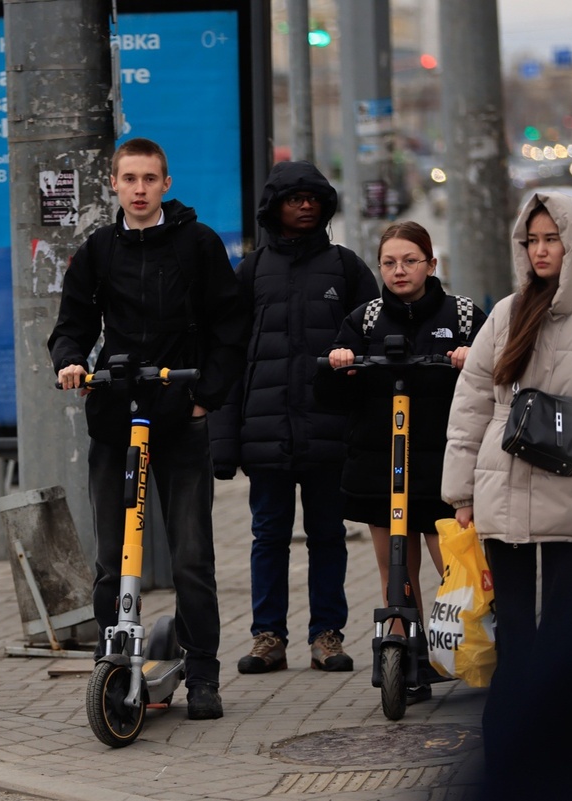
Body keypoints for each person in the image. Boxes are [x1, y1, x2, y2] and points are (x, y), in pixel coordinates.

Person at [441, 191, 572, 799]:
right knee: (513, 630)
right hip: (501, 490)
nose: (539, 250)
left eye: (551, 239)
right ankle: (507, 750)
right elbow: (472, 405)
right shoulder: (507, 312)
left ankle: (559, 754)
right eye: (531, 240)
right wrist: (461, 492)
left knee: (564, 628)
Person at [48, 137, 245, 720]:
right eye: (129, 178)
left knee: (191, 556)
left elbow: (230, 326)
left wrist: (206, 397)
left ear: (165, 184)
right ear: (114, 183)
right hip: (116, 420)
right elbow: (72, 324)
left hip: (180, 417)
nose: (138, 189)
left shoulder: (197, 244)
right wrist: (70, 360)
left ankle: (203, 675)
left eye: (149, 179)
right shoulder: (98, 250)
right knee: (114, 558)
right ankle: (115, 664)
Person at [209, 160, 378, 675]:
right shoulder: (251, 271)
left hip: (331, 432)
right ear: (274, 207)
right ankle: (268, 637)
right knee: (269, 536)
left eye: (313, 198)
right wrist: (224, 442)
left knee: (328, 536)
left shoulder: (347, 269)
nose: (305, 205)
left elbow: (371, 350)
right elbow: (229, 358)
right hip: (267, 433)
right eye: (293, 198)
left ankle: (327, 636)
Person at [315, 221, 486, 702]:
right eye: (389, 262)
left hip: (443, 465)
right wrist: (340, 361)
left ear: (432, 264)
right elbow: (327, 392)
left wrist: (473, 359)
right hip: (380, 463)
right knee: (397, 573)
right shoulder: (365, 319)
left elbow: (502, 374)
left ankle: (474, 648)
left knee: (453, 568)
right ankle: (406, 653)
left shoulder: (466, 314)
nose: (399, 270)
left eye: (410, 260)